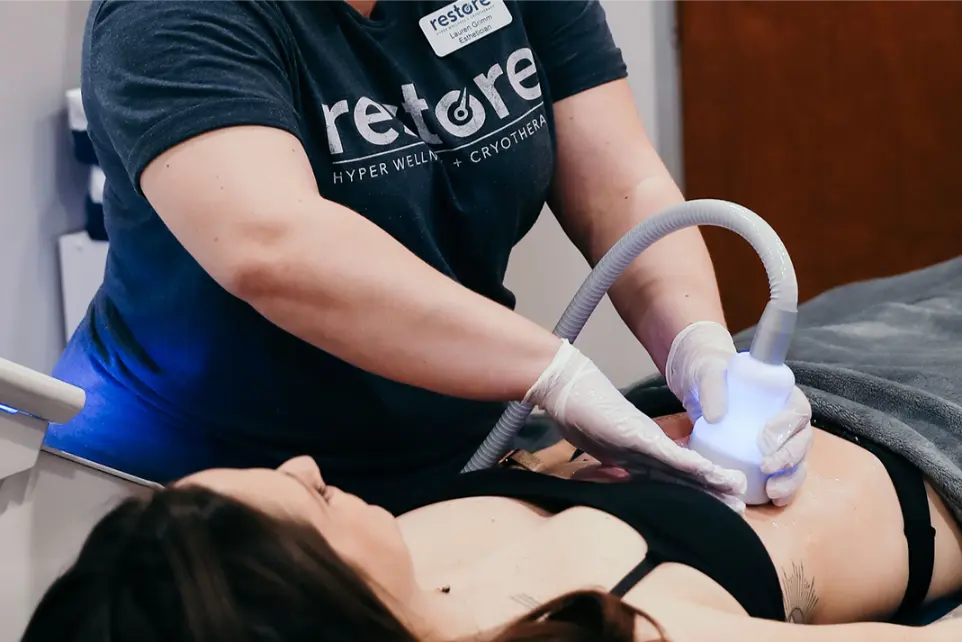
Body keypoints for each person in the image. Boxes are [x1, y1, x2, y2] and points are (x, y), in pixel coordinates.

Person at [46, 0, 812, 512]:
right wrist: (555, 374)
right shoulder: (168, 15)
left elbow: (623, 186)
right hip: (192, 484)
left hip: (455, 455)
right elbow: (274, 246)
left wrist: (698, 351)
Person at [22, 409, 962, 642]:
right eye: (303, 500)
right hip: (926, 443)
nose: (309, 467)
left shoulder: (386, 559)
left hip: (761, 392)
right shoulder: (613, 629)